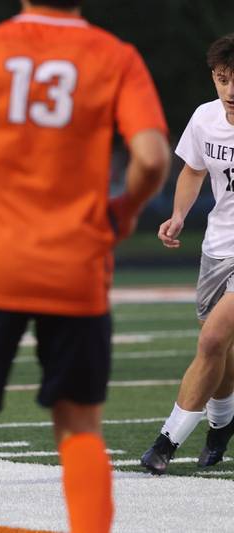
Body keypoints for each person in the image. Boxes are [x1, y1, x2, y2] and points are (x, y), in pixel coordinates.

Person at [0, 1, 169, 531]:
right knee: (80, 428)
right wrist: (125, 210)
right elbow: (153, 158)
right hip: (76, 267)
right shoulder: (115, 56)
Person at [140, 34, 234, 475]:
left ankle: (165, 443)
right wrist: (178, 215)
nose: (230, 90)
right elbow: (194, 169)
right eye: (222, 79)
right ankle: (223, 425)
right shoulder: (205, 118)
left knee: (212, 340)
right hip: (216, 248)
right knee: (223, 352)